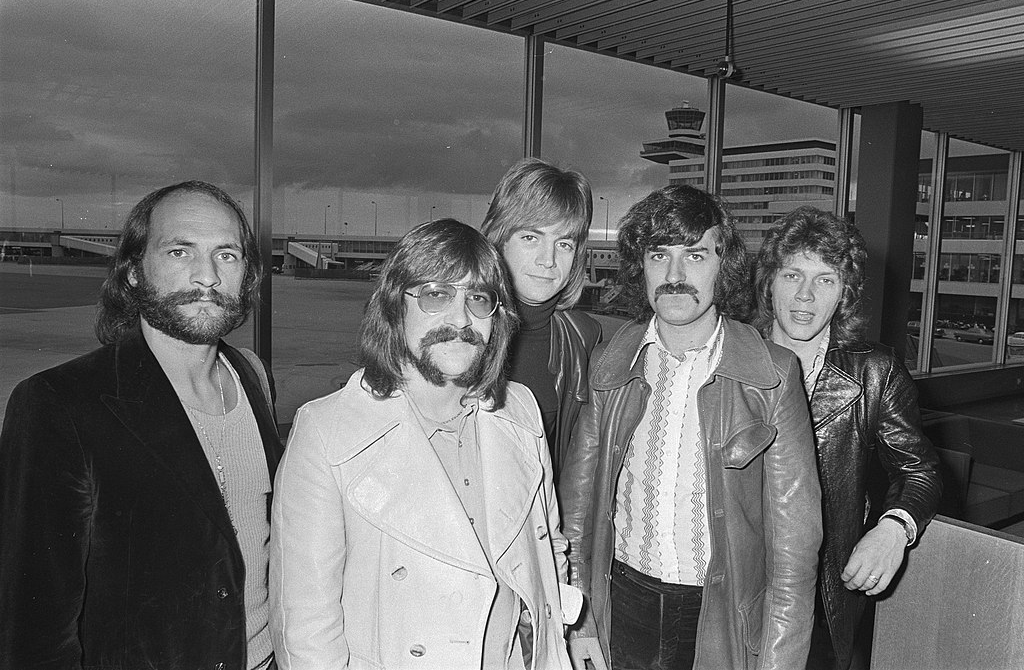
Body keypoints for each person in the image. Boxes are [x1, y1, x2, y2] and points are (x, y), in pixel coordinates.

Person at [269, 218, 578, 670]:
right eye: (436, 295)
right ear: (396, 309)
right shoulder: (326, 431)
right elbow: (306, 627)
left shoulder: (520, 411)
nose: (460, 319)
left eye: (478, 299)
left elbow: (548, 546)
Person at [0, 181, 283, 669]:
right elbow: (33, 626)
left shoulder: (253, 376)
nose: (207, 276)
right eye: (180, 251)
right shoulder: (58, 404)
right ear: (133, 272)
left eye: (227, 256)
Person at [561, 184, 822, 670]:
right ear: (641, 265)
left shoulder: (772, 374)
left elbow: (793, 553)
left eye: (697, 255)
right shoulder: (612, 362)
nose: (675, 275)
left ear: (725, 265)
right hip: (622, 604)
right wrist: (575, 623)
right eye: (660, 255)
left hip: (718, 615)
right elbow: (576, 518)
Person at [752, 207, 942, 670]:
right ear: (769, 283)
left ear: (844, 295)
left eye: (825, 280)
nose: (804, 295)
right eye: (793, 274)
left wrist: (894, 528)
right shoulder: (729, 355)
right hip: (730, 577)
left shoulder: (874, 371)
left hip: (820, 591)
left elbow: (920, 470)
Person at [481, 158, 602, 482]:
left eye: (563, 244)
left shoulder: (582, 340)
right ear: (498, 238)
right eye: (531, 238)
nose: (548, 260)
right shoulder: (460, 331)